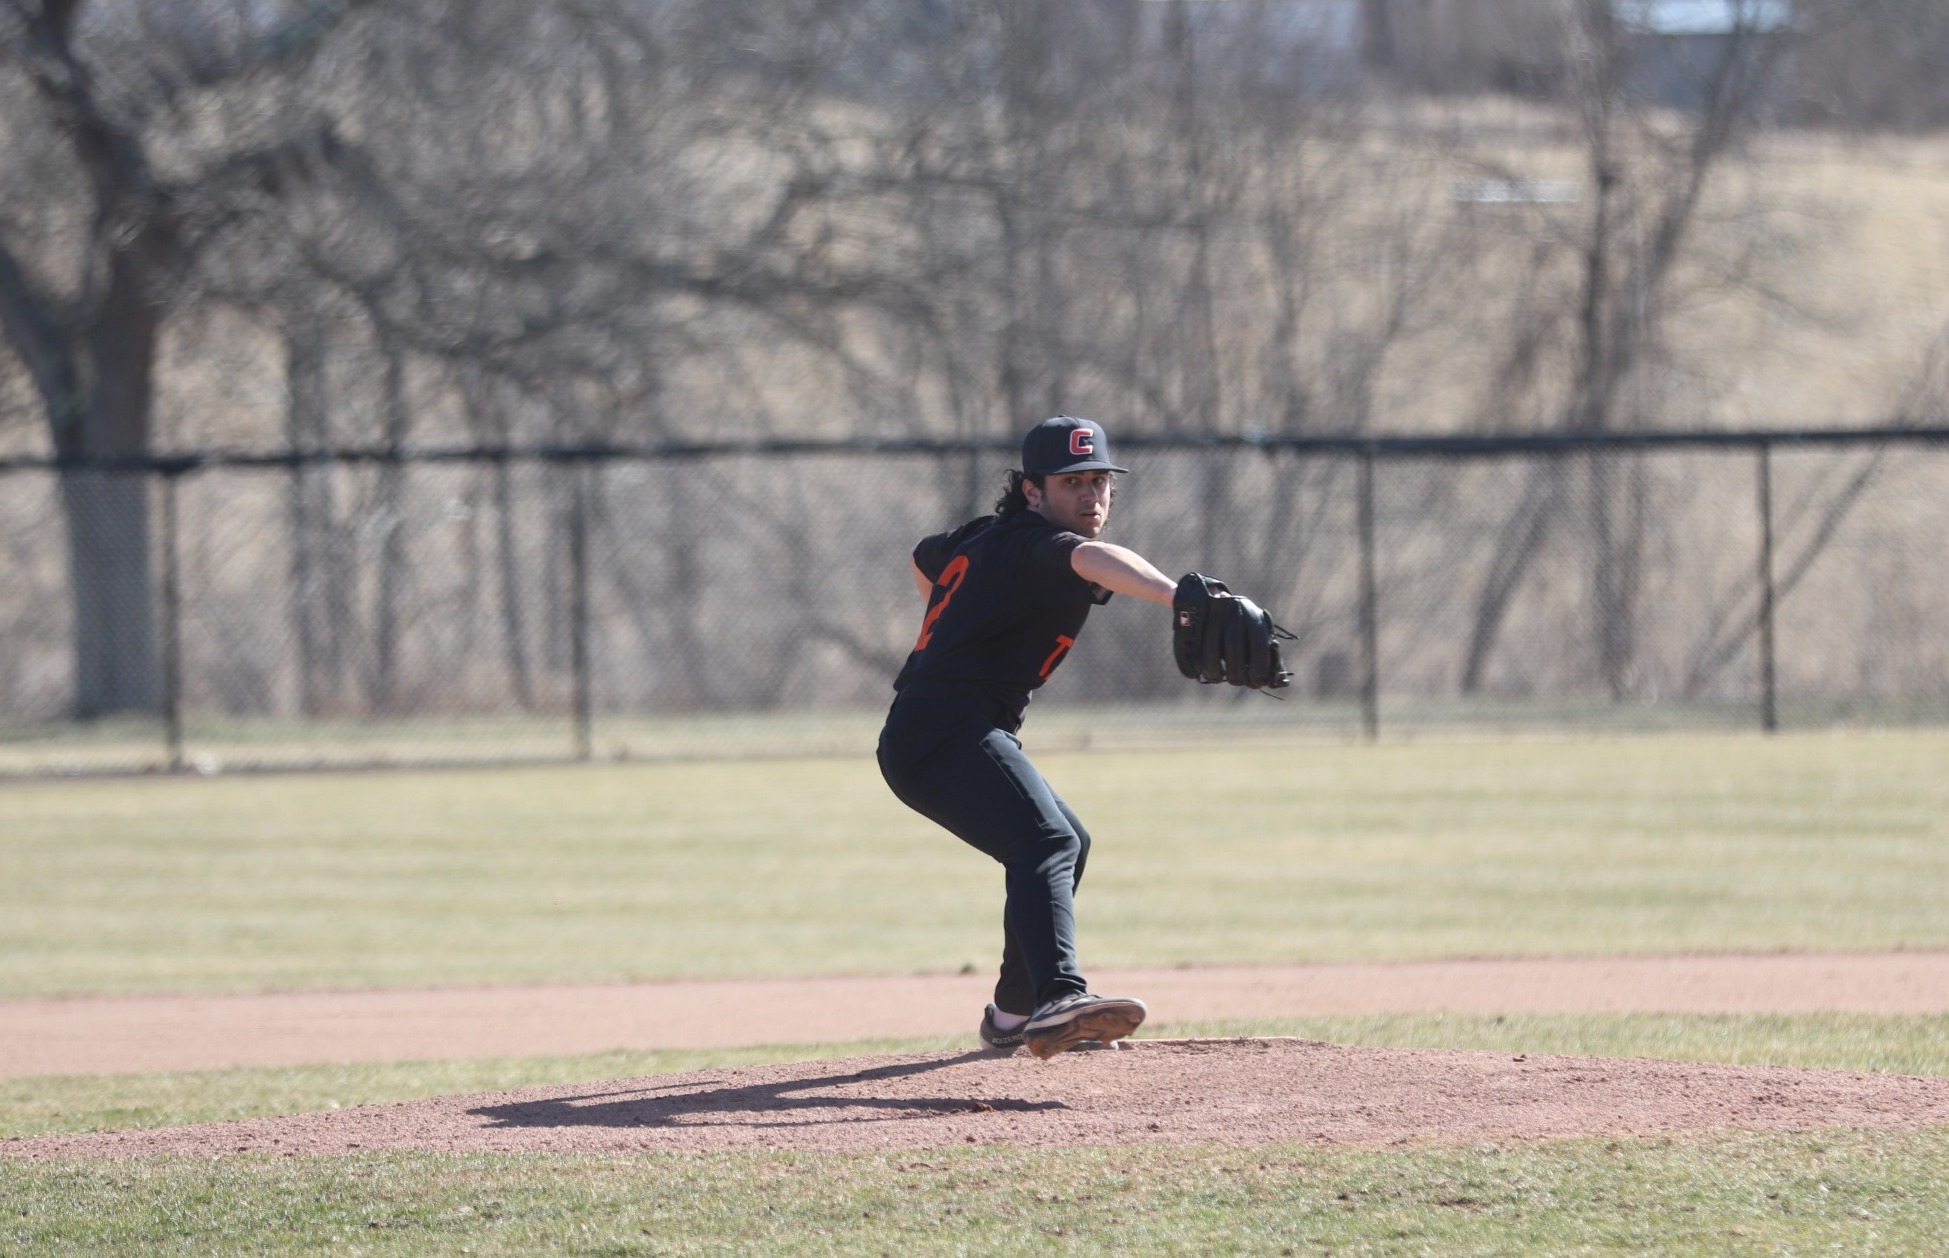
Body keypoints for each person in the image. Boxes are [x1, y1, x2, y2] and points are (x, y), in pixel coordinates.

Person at [876, 415, 1184, 1060]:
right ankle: (1058, 997)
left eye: (1101, 480)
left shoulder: (988, 538)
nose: (1091, 495)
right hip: (943, 729)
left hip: (945, 727)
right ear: (1032, 491)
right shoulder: (1041, 545)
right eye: (1072, 482)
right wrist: (1178, 595)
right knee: (1044, 838)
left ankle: (1014, 1013)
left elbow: (923, 558)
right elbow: (1091, 558)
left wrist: (953, 621)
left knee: (1067, 841)